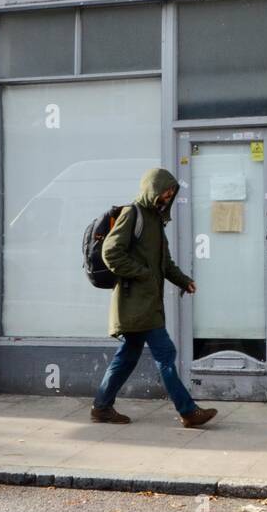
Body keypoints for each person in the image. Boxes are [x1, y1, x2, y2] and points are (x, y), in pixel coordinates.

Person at [91, 167, 217, 429]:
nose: (169, 195)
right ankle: (188, 411)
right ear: (153, 189)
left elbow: (165, 263)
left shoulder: (156, 220)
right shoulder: (133, 214)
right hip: (135, 303)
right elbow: (111, 252)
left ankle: (102, 407)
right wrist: (142, 274)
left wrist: (184, 281)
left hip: (147, 302)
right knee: (165, 353)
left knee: (127, 356)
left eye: (172, 191)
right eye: (165, 190)